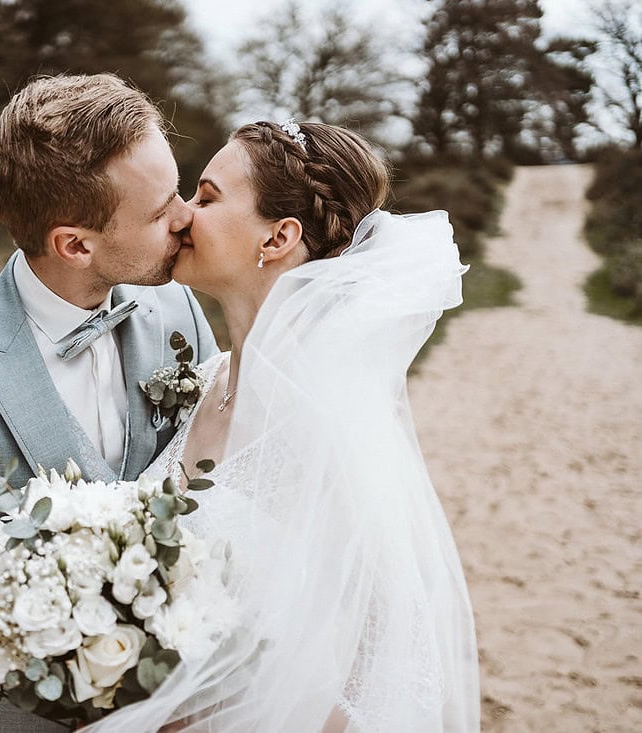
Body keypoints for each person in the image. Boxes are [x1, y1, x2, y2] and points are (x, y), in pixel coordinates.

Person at [0, 73, 218, 733]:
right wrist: (39, 597)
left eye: (179, 187)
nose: (186, 215)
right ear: (75, 244)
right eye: (160, 207)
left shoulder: (178, 309)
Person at [92, 120, 481, 731]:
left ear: (278, 237)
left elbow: (381, 661)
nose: (185, 215)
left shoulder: (323, 424)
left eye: (208, 196)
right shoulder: (211, 380)